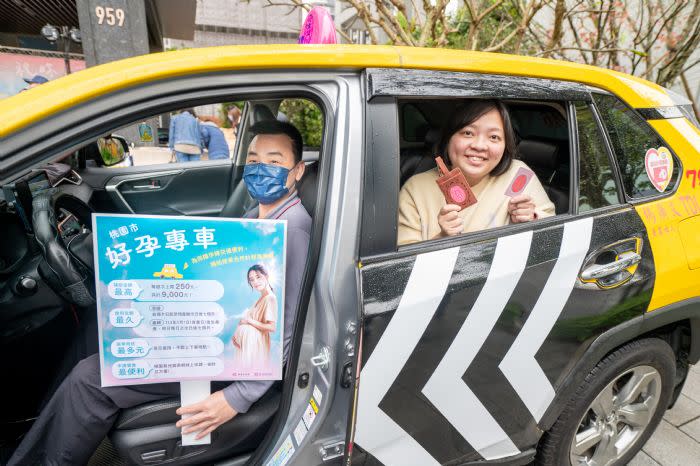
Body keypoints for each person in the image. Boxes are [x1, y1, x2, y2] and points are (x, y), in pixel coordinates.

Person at [8, 120, 311, 465]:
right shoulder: (259, 215)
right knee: (97, 326)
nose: (261, 170)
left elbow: (283, 330)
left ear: (297, 170)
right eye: (254, 160)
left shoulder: (293, 232)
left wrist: (237, 397)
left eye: (274, 162)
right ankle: (47, 423)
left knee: (89, 379)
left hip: (228, 357)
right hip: (211, 329)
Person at [398, 100, 555, 245]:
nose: (480, 146)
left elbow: (553, 237)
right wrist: (443, 238)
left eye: (494, 137)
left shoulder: (518, 175)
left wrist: (531, 218)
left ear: (505, 144)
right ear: (448, 138)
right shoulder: (415, 189)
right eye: (468, 133)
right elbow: (402, 267)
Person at [232, 264, 277, 368]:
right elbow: (247, 321)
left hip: (255, 346)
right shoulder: (260, 298)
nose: (255, 282)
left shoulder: (270, 298)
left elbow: (271, 327)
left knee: (251, 372)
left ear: (266, 276)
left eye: (258, 277)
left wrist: (248, 321)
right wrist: (237, 335)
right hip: (248, 345)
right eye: (251, 280)